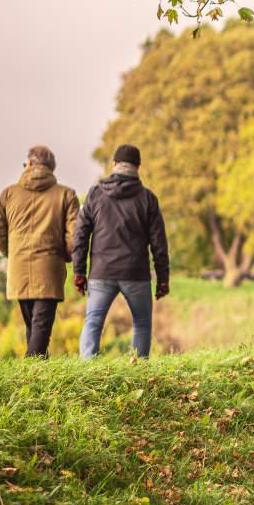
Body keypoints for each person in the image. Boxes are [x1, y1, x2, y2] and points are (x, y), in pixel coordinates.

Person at [74, 144, 170, 359]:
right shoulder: (147, 199)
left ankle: (87, 372)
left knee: (93, 321)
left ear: (114, 164)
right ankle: (138, 371)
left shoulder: (95, 194)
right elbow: (159, 244)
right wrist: (163, 279)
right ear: (138, 166)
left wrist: (79, 272)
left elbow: (80, 235)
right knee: (142, 324)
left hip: (101, 272)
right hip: (135, 273)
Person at [0, 145, 80, 357]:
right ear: (52, 168)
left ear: (29, 164)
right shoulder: (66, 195)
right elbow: (75, 237)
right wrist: (63, 255)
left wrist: (15, 253)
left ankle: (37, 373)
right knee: (40, 328)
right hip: (49, 269)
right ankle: (30, 375)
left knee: (34, 326)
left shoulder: (8, 194)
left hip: (18, 270)